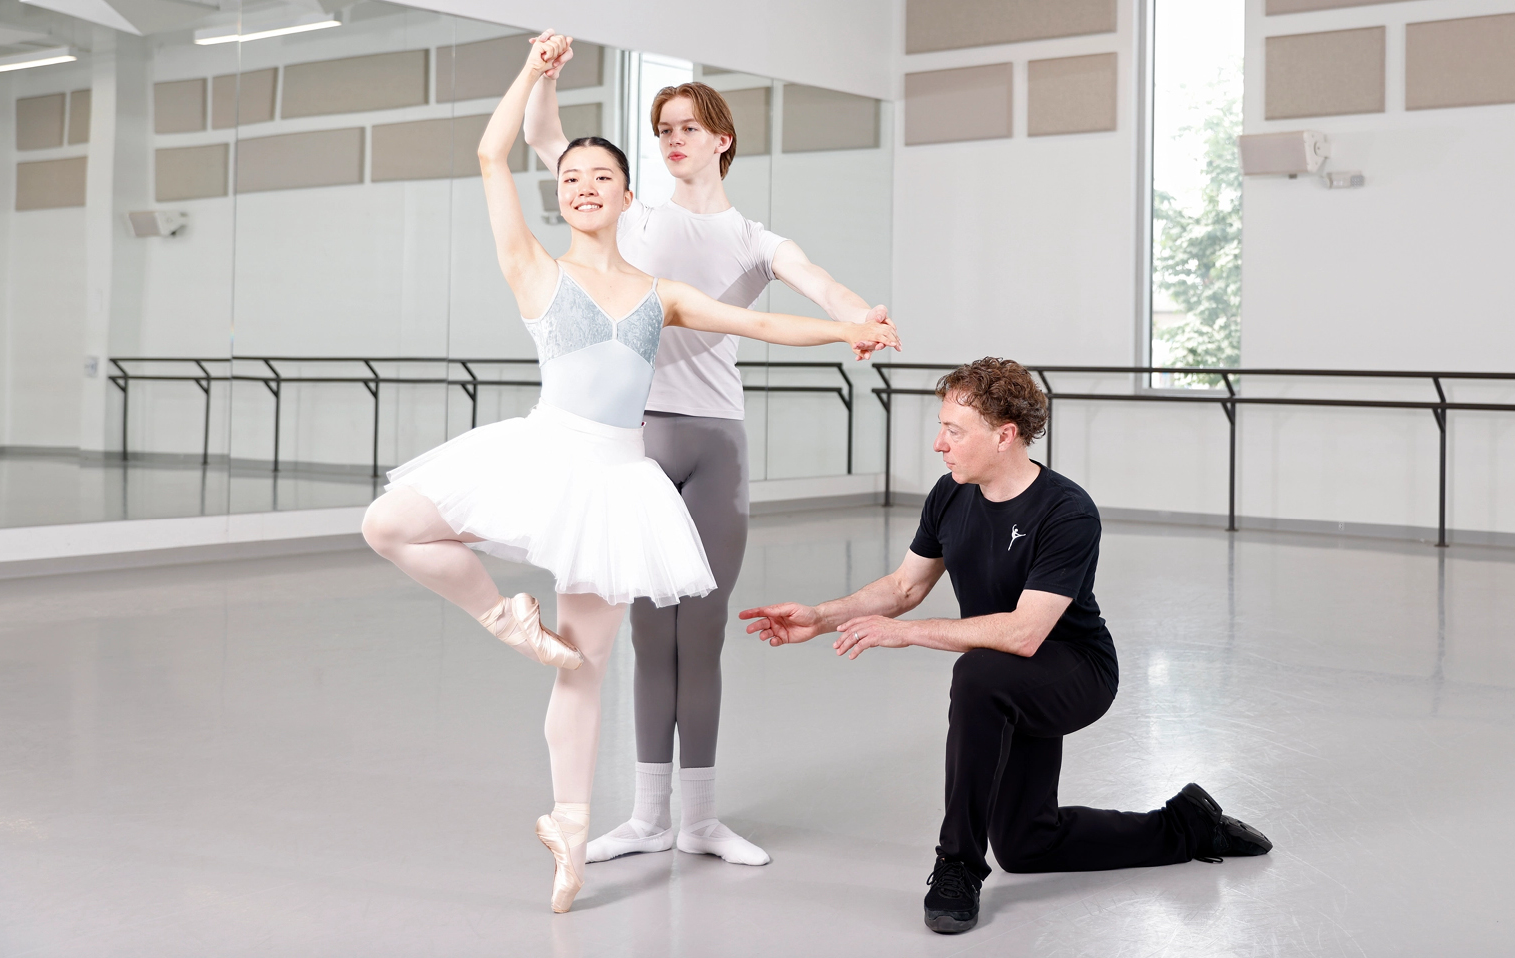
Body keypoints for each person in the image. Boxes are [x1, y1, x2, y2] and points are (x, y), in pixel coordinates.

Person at [359, 33, 899, 914]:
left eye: (598, 178)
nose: (581, 187)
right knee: (388, 524)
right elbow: (497, 151)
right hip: (544, 453)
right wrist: (536, 71)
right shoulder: (534, 266)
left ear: (625, 195)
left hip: (619, 478)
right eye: (570, 181)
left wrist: (849, 328)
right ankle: (508, 622)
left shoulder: (665, 287)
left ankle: (572, 837)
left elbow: (763, 326)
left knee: (589, 665)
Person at [522, 35, 890, 868]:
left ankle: (701, 821)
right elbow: (547, 141)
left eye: (688, 127)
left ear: (723, 139)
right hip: (640, 439)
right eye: (662, 130)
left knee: (705, 630)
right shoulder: (636, 216)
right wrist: (543, 76)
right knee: (654, 635)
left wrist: (863, 315)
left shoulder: (757, 240)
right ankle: (648, 817)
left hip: (717, 444)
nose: (672, 140)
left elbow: (821, 285)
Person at [740, 358, 1270, 934]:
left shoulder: (1066, 510)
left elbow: (1025, 632)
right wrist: (819, 617)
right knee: (1027, 844)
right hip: (1005, 673)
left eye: (954, 431)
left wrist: (909, 634)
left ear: (1005, 435)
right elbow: (903, 587)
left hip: (1075, 670)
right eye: (941, 427)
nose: (938, 444)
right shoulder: (949, 496)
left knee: (979, 677)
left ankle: (956, 866)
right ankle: (1189, 826)